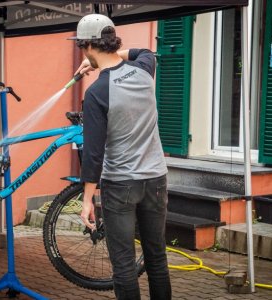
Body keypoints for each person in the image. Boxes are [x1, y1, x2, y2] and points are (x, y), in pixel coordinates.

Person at [72, 14, 172, 299]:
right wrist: (112, 55)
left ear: (88, 46)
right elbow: (145, 51)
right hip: (156, 178)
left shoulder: (97, 93)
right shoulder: (144, 69)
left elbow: (93, 154)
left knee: (125, 265)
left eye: (82, 46)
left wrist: (87, 199)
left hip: (120, 185)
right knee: (157, 258)